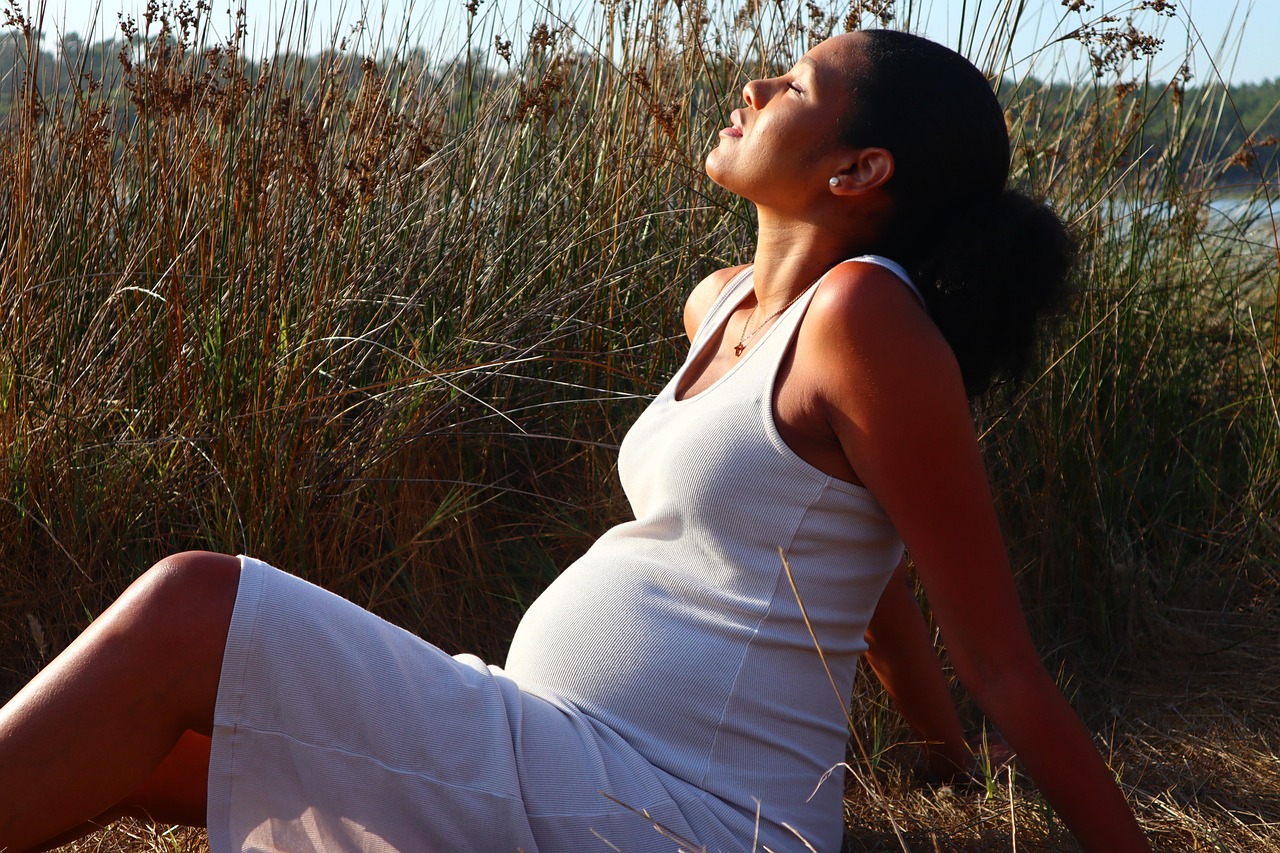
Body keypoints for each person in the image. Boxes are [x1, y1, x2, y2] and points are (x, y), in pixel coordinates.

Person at [0, 29, 1150, 853]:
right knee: (156, 752)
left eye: (795, 82)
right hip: (561, 748)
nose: (753, 81)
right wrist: (934, 757)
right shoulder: (720, 306)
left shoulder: (864, 322)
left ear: (858, 171)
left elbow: (997, 655)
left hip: (686, 809)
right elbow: (852, 564)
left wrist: (983, 757)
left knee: (195, 606)